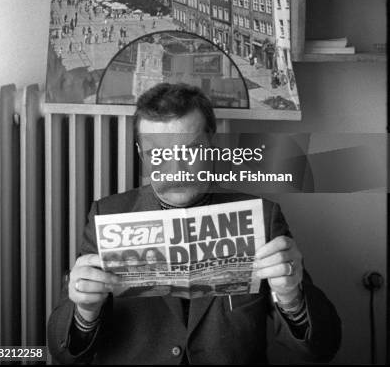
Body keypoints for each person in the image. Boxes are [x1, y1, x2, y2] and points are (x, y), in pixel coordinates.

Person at [47, 83, 341, 365]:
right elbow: (65, 354)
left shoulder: (262, 216)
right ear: (141, 155)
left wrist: (292, 297)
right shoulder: (107, 216)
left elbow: (322, 349)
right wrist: (85, 312)